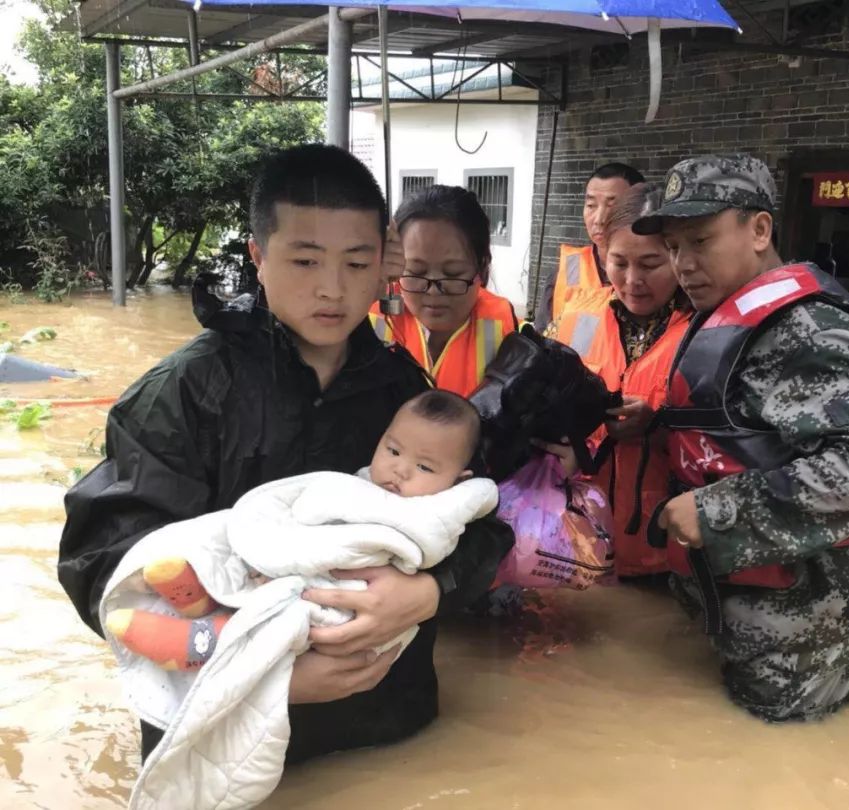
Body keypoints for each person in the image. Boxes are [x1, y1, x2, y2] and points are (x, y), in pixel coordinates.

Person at [57, 144, 514, 763]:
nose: (333, 290)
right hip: (223, 730)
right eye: (305, 261)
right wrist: (266, 676)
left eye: (357, 264)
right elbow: (106, 561)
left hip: (384, 721)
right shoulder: (185, 392)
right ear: (258, 257)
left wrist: (431, 590)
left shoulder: (405, 392)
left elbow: (480, 521)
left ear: (382, 262)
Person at [634, 155, 849, 722]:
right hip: (740, 606)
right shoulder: (730, 316)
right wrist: (658, 422)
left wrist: (715, 513)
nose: (683, 263)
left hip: (801, 637)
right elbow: (748, 425)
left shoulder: (808, 328)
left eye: (700, 241)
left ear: (759, 230)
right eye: (673, 246)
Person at [106, 389, 487, 670]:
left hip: (357, 604)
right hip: (303, 567)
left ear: (458, 481)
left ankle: (206, 644)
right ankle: (205, 593)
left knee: (300, 608)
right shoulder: (360, 483)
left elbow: (464, 540)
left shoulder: (443, 509)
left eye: (424, 468)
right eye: (393, 451)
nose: (401, 470)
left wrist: (436, 588)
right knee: (224, 535)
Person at [546, 184, 692, 578]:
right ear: (600, 254)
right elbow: (542, 406)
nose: (632, 280)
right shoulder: (575, 316)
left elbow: (722, 447)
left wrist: (657, 429)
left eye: (650, 264)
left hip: (666, 553)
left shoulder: (706, 332)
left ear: (679, 255)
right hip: (578, 541)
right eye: (619, 262)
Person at [370, 185, 517, 397]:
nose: (434, 292)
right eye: (416, 272)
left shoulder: (503, 327)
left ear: (482, 266)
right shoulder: (370, 318)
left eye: (453, 274)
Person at [533, 162, 646, 332]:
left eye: (612, 206)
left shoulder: (653, 277)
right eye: (591, 206)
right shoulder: (566, 271)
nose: (599, 218)